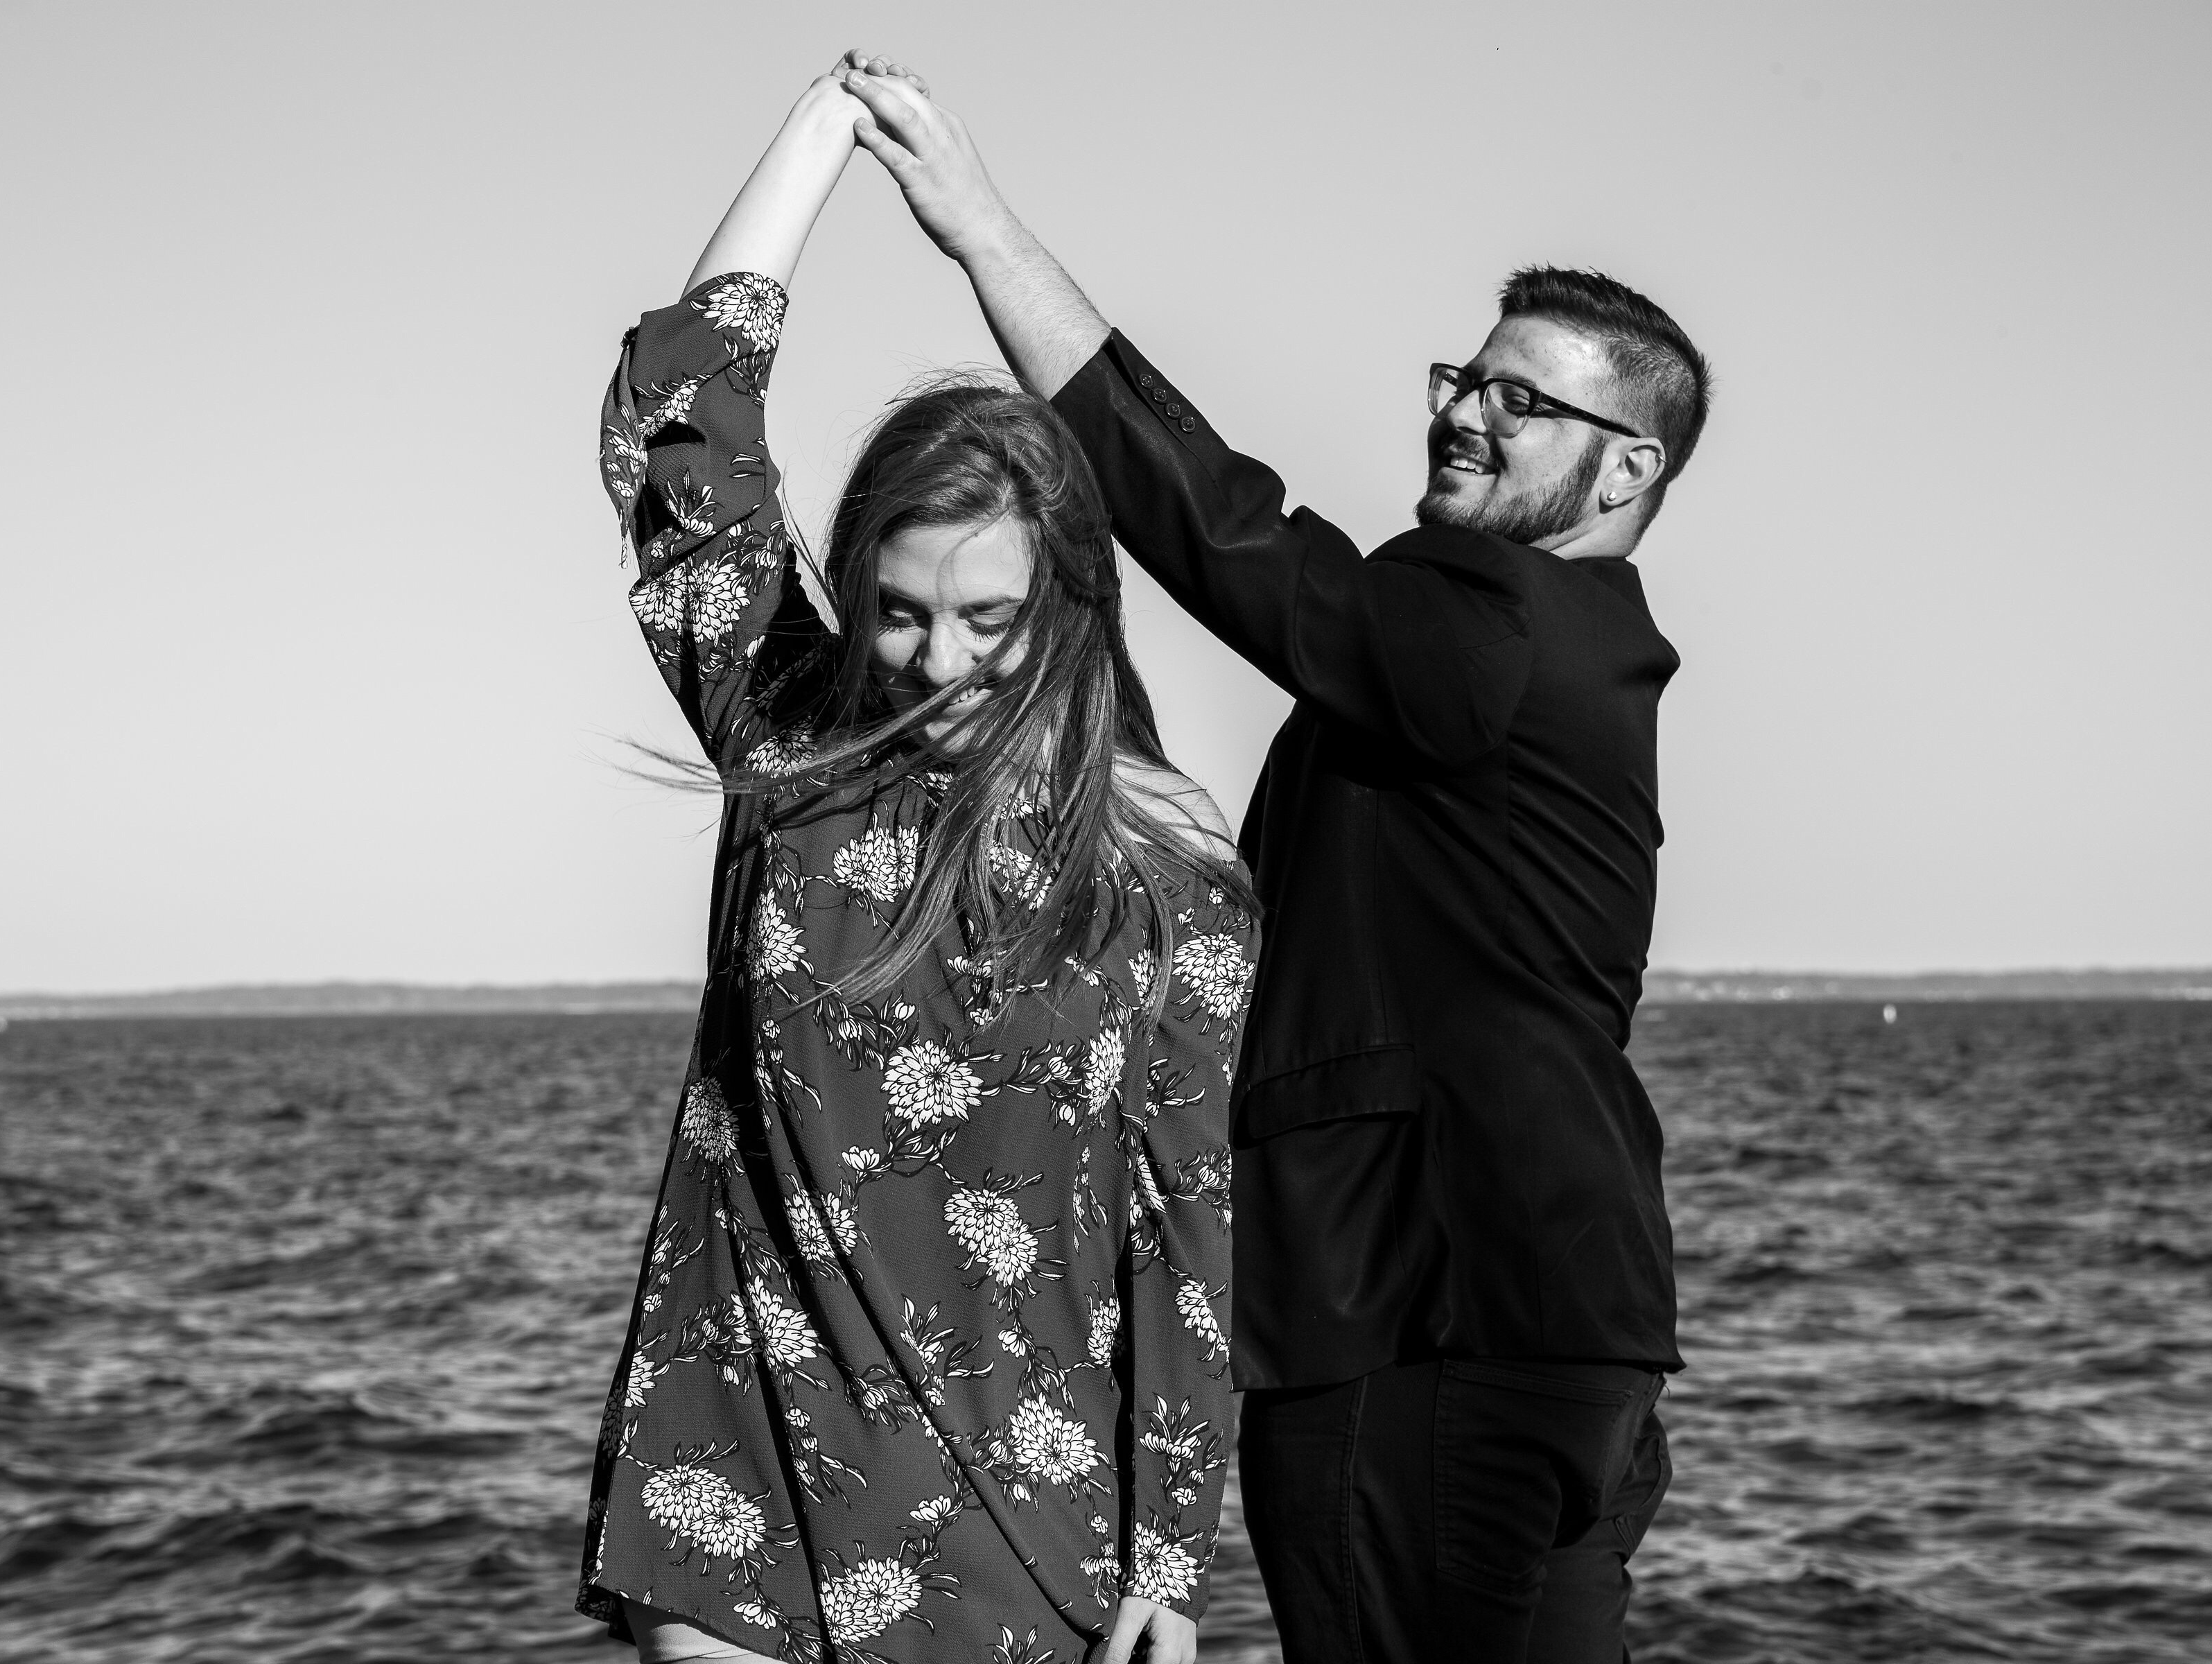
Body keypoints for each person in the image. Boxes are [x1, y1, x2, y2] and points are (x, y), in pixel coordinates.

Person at [834, 50, 1711, 1664]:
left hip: (1417, 1310)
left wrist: (983, 234)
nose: (1465, 411)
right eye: (1466, 377)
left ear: (1630, 467)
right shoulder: (1591, 663)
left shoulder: (1490, 614)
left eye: (1525, 403)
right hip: (1583, 1336)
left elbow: (1226, 534)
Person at [582, 61, 1258, 1664]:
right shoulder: (793, 739)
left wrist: (1171, 1558)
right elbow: (675, 431)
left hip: (1024, 1507)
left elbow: (1188, 1221)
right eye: (899, 614)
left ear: (1068, 607)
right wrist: (821, 132)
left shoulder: (1168, 867)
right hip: (734, 1464)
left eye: (986, 622)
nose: (936, 663)